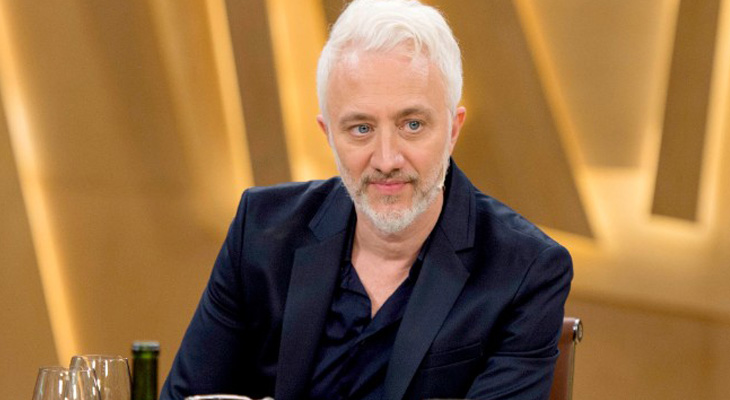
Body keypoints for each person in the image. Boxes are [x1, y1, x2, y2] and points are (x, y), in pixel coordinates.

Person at [160, 0, 572, 399]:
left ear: (453, 129)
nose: (387, 160)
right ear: (328, 135)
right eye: (361, 129)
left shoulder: (526, 269)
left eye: (412, 125)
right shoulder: (261, 233)